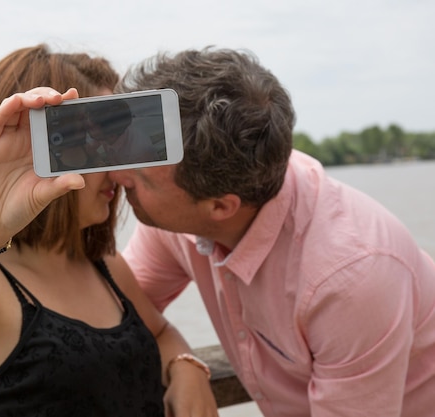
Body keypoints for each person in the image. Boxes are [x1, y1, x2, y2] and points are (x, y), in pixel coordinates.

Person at [0, 44, 218, 417]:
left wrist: (186, 368)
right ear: (39, 149)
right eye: (99, 147)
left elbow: (161, 332)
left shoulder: (102, 263)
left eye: (119, 144)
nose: (120, 172)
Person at [107, 47, 435, 416]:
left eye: (140, 176)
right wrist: (183, 361)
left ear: (220, 207)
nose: (118, 177)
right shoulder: (193, 196)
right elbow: (115, 313)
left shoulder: (350, 278)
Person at [86, 99, 160, 165]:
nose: (86, 128)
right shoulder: (105, 134)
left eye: (91, 128)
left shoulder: (139, 153)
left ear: (111, 133)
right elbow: (95, 143)